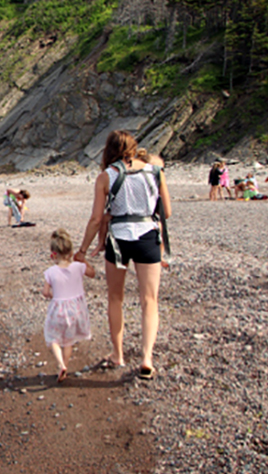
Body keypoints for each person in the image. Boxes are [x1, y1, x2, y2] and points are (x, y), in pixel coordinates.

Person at [74, 130, 172, 381]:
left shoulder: (106, 176)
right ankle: (146, 358)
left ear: (109, 150)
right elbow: (167, 212)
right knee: (149, 300)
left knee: (115, 299)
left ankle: (118, 354)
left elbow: (96, 218)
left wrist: (83, 250)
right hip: (148, 236)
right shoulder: (155, 172)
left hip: (118, 239)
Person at [42, 228, 95, 383]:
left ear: (53, 254)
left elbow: (45, 292)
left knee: (53, 338)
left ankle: (60, 364)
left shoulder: (50, 271)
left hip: (58, 310)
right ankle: (65, 365)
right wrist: (83, 260)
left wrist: (54, 296)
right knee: (68, 341)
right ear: (71, 252)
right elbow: (92, 273)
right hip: (76, 310)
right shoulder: (78, 267)